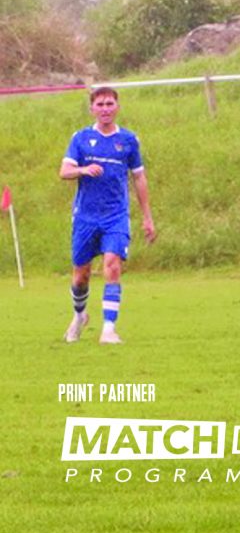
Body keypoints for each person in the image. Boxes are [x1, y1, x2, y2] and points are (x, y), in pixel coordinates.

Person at [60, 87, 156, 345]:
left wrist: (147, 217)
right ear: (92, 108)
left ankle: (109, 329)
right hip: (85, 218)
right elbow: (64, 171)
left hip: (116, 216)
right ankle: (79, 316)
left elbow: (139, 177)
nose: (105, 108)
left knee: (112, 265)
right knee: (81, 275)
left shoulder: (128, 140)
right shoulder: (80, 138)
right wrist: (83, 169)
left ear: (117, 107)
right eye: (100, 104)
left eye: (109, 104)